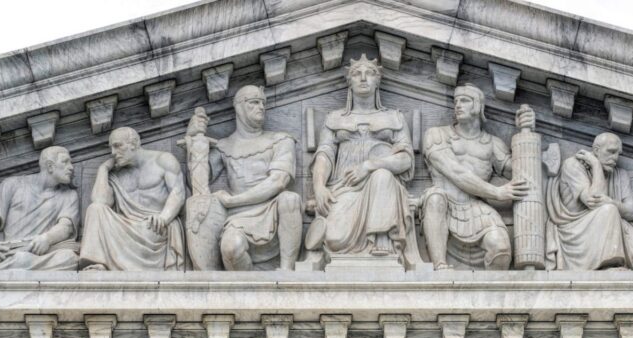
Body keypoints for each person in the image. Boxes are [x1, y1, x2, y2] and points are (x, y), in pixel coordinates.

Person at [306, 54, 425, 268]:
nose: (363, 78)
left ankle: (382, 243)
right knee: (335, 238)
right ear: (349, 82)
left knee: (382, 176)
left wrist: (369, 166)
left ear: (377, 80)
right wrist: (319, 187)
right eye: (356, 74)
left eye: (369, 73)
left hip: (383, 190)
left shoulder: (394, 118)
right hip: (344, 189)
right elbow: (324, 155)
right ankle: (330, 228)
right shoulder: (335, 119)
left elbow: (406, 160)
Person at [183, 86, 302, 270]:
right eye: (254, 102)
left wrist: (233, 200)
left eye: (263, 103)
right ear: (239, 107)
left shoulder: (281, 140)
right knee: (231, 247)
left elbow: (278, 181)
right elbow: (197, 185)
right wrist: (193, 140)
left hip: (272, 209)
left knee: (290, 198)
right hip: (238, 217)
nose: (261, 107)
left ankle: (287, 273)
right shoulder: (224, 146)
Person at [420, 84, 527, 270]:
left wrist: (527, 131)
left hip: (476, 208)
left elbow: (521, 173)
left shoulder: (493, 144)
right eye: (455, 101)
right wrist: (497, 192)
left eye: (464, 100)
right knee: (435, 197)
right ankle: (439, 264)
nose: (457, 105)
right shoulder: (437, 135)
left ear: (478, 106)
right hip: (444, 206)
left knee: (501, 249)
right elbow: (456, 172)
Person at [79, 127, 185, 271]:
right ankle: (97, 264)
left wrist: (164, 217)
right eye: (111, 148)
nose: (113, 153)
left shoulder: (163, 160)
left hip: (154, 228)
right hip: (124, 228)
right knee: (94, 209)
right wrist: (103, 169)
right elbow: (100, 201)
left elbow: (178, 192)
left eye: (117, 146)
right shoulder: (116, 173)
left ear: (134, 143)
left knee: (153, 227)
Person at [546, 132, 633, 270]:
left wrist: (612, 202)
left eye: (618, 153)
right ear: (596, 150)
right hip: (575, 228)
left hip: (612, 222)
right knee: (609, 210)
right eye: (611, 152)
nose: (615, 158)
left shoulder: (621, 175)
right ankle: (610, 264)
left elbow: (632, 212)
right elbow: (594, 199)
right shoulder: (572, 165)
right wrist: (596, 165)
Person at [0, 146, 80, 271]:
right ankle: (2, 268)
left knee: (69, 258)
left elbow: (66, 227)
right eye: (65, 162)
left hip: (41, 255)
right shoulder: (12, 184)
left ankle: (5, 269)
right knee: (21, 258)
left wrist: (47, 239)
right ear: (50, 166)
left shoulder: (69, 195)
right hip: (10, 253)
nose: (71, 167)